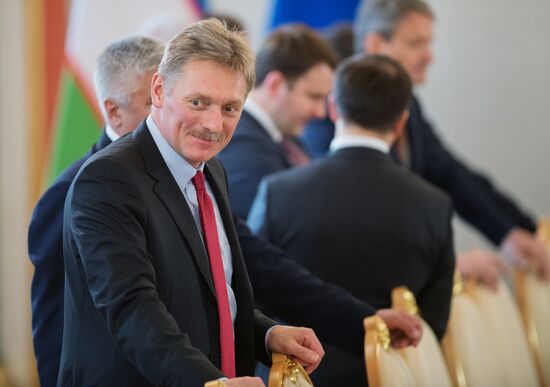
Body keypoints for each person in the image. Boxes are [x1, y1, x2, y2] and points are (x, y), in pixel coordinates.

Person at [32, 28, 423, 387]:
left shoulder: (210, 169)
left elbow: (210, 297)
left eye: (230, 108)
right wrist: (212, 383)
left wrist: (268, 334)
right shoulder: (106, 180)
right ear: (158, 90)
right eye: (198, 102)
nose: (213, 124)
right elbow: (134, 309)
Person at [301, 0, 550, 282]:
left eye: (428, 43)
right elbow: (357, 218)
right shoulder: (331, 110)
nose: (429, 56)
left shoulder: (409, 105)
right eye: (416, 44)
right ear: (375, 45)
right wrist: (450, 264)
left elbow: (449, 172)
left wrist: (514, 231)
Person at [248, 54, 455, 387]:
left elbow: (251, 292)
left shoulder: (279, 192)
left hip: (298, 376)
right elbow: (432, 325)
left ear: (333, 108)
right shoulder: (435, 204)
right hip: (395, 377)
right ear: (401, 122)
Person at [28, 35, 165, 387]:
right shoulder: (71, 190)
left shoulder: (180, 172)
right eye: (152, 101)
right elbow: (57, 315)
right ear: (114, 110)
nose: (167, 113)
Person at [218, 24, 338, 219]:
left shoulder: (287, 137)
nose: (321, 112)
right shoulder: (242, 146)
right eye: (313, 97)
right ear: (276, 84)